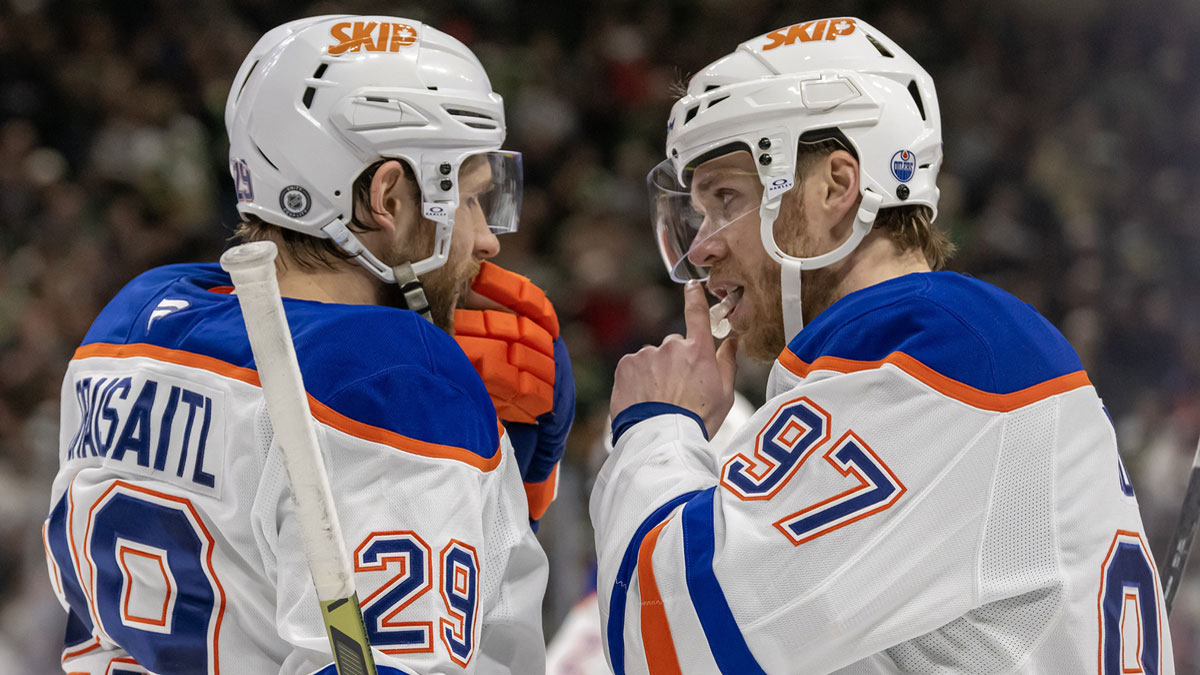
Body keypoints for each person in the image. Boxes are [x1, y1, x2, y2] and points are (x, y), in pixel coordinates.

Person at [591, 16, 1174, 674]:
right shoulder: (960, 345)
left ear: (837, 187)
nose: (702, 244)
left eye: (726, 198)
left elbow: (669, 631)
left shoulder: (930, 350)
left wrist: (656, 426)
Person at [43, 15, 572, 674]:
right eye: (468, 200)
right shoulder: (395, 381)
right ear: (389, 196)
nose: (487, 239)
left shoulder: (133, 318)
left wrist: (493, 505)